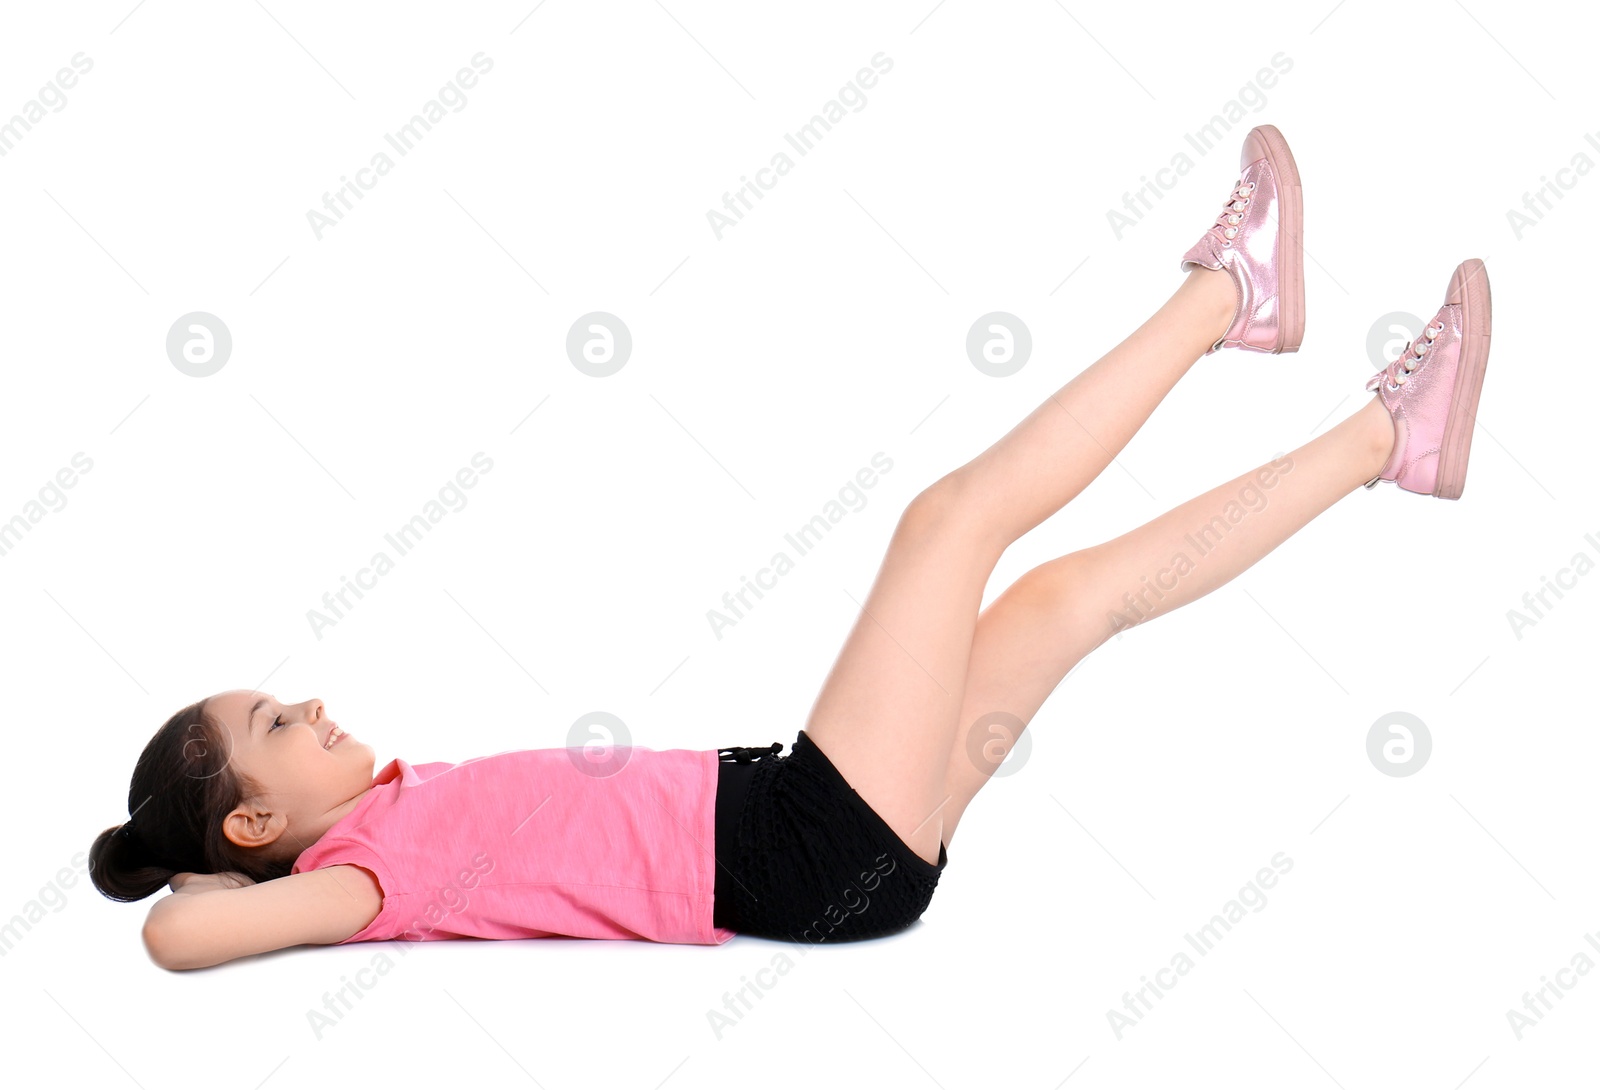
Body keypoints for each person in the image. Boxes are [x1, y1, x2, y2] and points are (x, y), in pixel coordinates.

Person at [89, 125, 1492, 969]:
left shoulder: (385, 814)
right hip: (801, 847)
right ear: (259, 816)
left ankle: (1390, 439)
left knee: (1068, 597)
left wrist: (203, 848)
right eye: (277, 721)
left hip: (820, 842)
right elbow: (178, 935)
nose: (313, 703)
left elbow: (214, 878)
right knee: (948, 524)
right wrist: (192, 873)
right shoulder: (361, 878)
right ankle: (1226, 302)